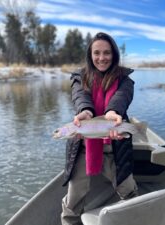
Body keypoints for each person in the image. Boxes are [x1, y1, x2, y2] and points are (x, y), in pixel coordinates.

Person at [61, 32, 138, 225]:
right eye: (97, 53)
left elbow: (121, 97)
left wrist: (112, 112)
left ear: (114, 55)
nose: (101, 58)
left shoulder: (125, 80)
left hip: (115, 145)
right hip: (83, 146)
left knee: (128, 190)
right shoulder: (80, 77)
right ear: (90, 54)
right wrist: (85, 111)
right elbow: (80, 97)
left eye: (106, 53)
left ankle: (134, 217)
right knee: (74, 197)